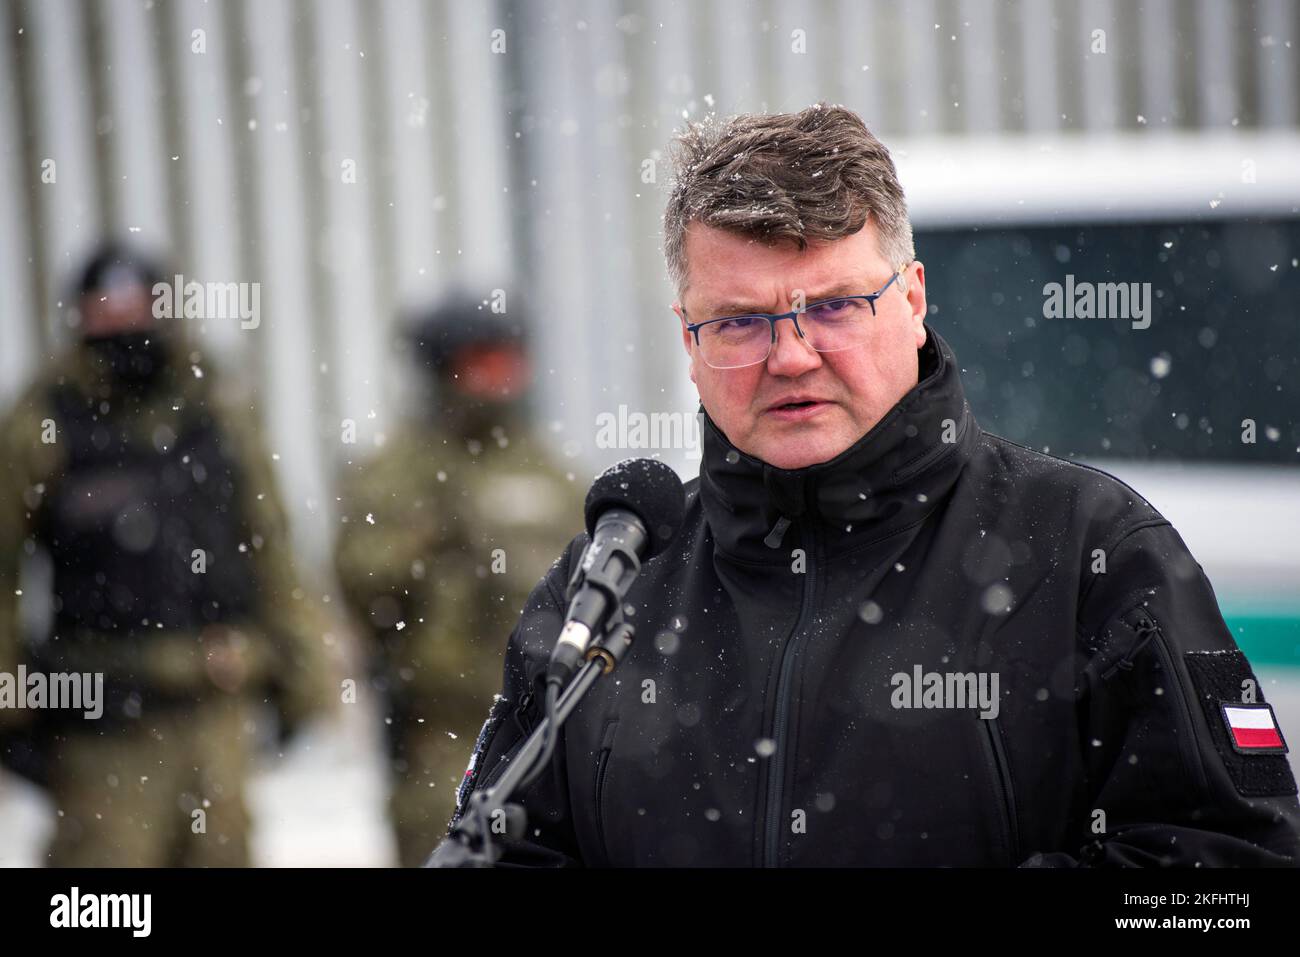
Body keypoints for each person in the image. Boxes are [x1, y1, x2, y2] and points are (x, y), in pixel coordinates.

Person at [440, 104, 1300, 867]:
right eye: (740, 321)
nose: (792, 355)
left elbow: (1226, 871)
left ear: (914, 298)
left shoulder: (1087, 550)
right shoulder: (616, 583)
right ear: (688, 338)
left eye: (834, 306)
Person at [0, 241, 335, 866]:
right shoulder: (46, 418)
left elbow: (270, 544)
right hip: (101, 714)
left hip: (218, 696)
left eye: (139, 307)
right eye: (106, 311)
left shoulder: (217, 407)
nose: (124, 326)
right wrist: (11, 706)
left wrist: (303, 675)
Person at [333, 294, 583, 867]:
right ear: (442, 370)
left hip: (552, 731)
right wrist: (440, 538)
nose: (501, 380)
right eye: (482, 364)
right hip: (442, 733)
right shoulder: (397, 471)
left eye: (508, 362)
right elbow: (363, 580)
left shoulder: (542, 467)